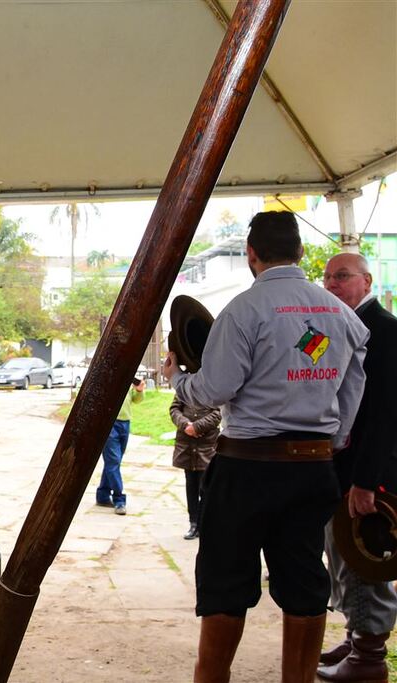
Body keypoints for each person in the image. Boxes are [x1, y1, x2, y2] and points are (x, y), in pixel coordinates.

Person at [161, 211, 368, 682]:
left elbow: (214, 389)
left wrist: (179, 381)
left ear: (252, 255)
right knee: (304, 582)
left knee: (225, 583)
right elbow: (352, 395)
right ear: (300, 252)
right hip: (313, 468)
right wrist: (326, 444)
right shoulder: (341, 316)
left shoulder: (243, 310)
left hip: (246, 469)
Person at [317, 252, 397, 682]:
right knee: (343, 558)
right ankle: (356, 637)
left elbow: (385, 415)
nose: (332, 283)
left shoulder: (385, 331)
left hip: (371, 474)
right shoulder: (339, 328)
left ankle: (369, 659)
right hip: (341, 469)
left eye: (342, 276)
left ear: (367, 281)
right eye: (327, 277)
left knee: (366, 559)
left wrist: (366, 482)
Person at [168, 397, 221, 540]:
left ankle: (204, 524)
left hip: (207, 445)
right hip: (186, 444)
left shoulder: (213, 388)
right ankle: (193, 523)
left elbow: (218, 413)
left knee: (206, 487)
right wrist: (186, 425)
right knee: (191, 485)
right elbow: (174, 409)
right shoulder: (184, 388)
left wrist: (197, 427)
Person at [96, 376, 144, 515]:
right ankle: (119, 499)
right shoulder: (107, 376)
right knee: (113, 462)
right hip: (109, 422)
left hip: (125, 423)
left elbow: (136, 400)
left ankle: (103, 495)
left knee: (113, 463)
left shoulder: (127, 375)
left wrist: (139, 391)